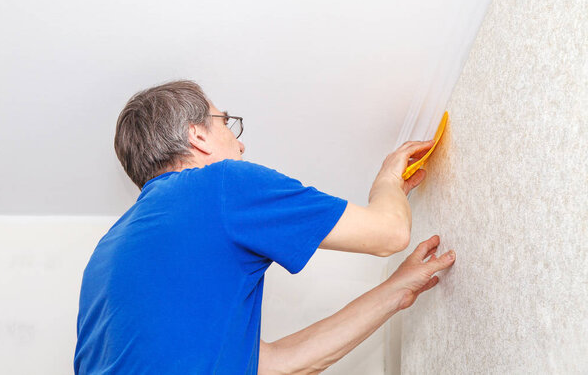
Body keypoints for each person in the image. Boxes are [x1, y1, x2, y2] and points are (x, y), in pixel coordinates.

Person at [74, 80, 456, 374]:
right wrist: (387, 182)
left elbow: (277, 364)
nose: (240, 148)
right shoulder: (223, 184)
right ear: (198, 135)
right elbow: (390, 233)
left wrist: (396, 291)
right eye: (228, 124)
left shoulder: (104, 256)